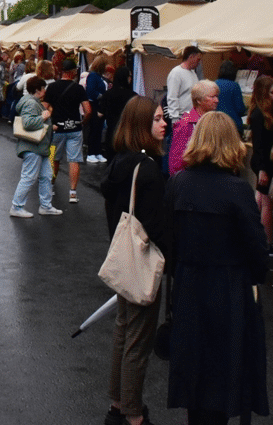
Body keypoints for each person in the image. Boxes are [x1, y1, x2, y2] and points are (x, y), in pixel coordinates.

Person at [165, 111, 269, 425]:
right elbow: (256, 247)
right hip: (228, 288)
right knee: (224, 370)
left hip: (188, 285)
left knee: (194, 368)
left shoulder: (179, 183)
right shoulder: (236, 189)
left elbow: (169, 241)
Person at [100, 95, 168, 425]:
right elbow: (155, 223)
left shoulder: (119, 163)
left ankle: (117, 403)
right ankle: (132, 413)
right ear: (142, 126)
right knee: (138, 341)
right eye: (157, 119)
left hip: (123, 256)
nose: (164, 123)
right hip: (142, 260)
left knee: (123, 332)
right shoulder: (148, 170)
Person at [10, 75, 63, 218]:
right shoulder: (31, 103)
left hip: (39, 148)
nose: (45, 91)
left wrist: (51, 126)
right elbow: (28, 123)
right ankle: (17, 206)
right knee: (29, 177)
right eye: (43, 88)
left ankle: (45, 206)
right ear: (38, 90)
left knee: (45, 176)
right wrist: (44, 118)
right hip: (33, 147)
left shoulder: (29, 102)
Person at [246, 75, 273, 256]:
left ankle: (257, 239)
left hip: (263, 163)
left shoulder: (263, 112)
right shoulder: (260, 115)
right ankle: (267, 243)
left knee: (261, 201)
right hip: (265, 164)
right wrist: (262, 169)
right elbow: (260, 143)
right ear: (264, 93)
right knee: (268, 204)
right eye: (272, 92)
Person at [45, 59, 89, 205]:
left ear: (62, 71)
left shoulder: (51, 87)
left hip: (57, 128)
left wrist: (50, 117)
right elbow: (88, 110)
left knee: (53, 158)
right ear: (72, 72)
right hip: (74, 128)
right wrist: (82, 122)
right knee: (74, 160)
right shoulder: (78, 89)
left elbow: (44, 107)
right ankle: (72, 193)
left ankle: (50, 186)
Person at [168, 81, 219, 177]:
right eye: (212, 97)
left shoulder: (213, 121)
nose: (217, 100)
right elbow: (176, 161)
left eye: (217, 96)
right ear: (199, 100)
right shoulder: (186, 124)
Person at [99, 66, 136, 153]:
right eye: (129, 76)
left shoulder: (108, 94)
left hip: (112, 133)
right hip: (128, 135)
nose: (131, 78)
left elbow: (100, 114)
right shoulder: (133, 96)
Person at [164, 46, 202, 125]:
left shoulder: (193, 73)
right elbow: (172, 98)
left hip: (192, 116)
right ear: (191, 57)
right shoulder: (176, 73)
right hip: (181, 118)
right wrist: (175, 121)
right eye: (198, 59)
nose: (199, 63)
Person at [84, 57, 110, 163]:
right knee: (94, 129)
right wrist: (102, 96)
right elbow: (90, 91)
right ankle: (91, 153)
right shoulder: (93, 76)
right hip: (94, 105)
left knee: (98, 129)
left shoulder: (97, 76)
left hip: (98, 105)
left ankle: (97, 152)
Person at [214, 60, 246, 132]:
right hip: (233, 124)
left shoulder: (214, 84)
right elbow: (240, 108)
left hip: (217, 123)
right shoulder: (234, 86)